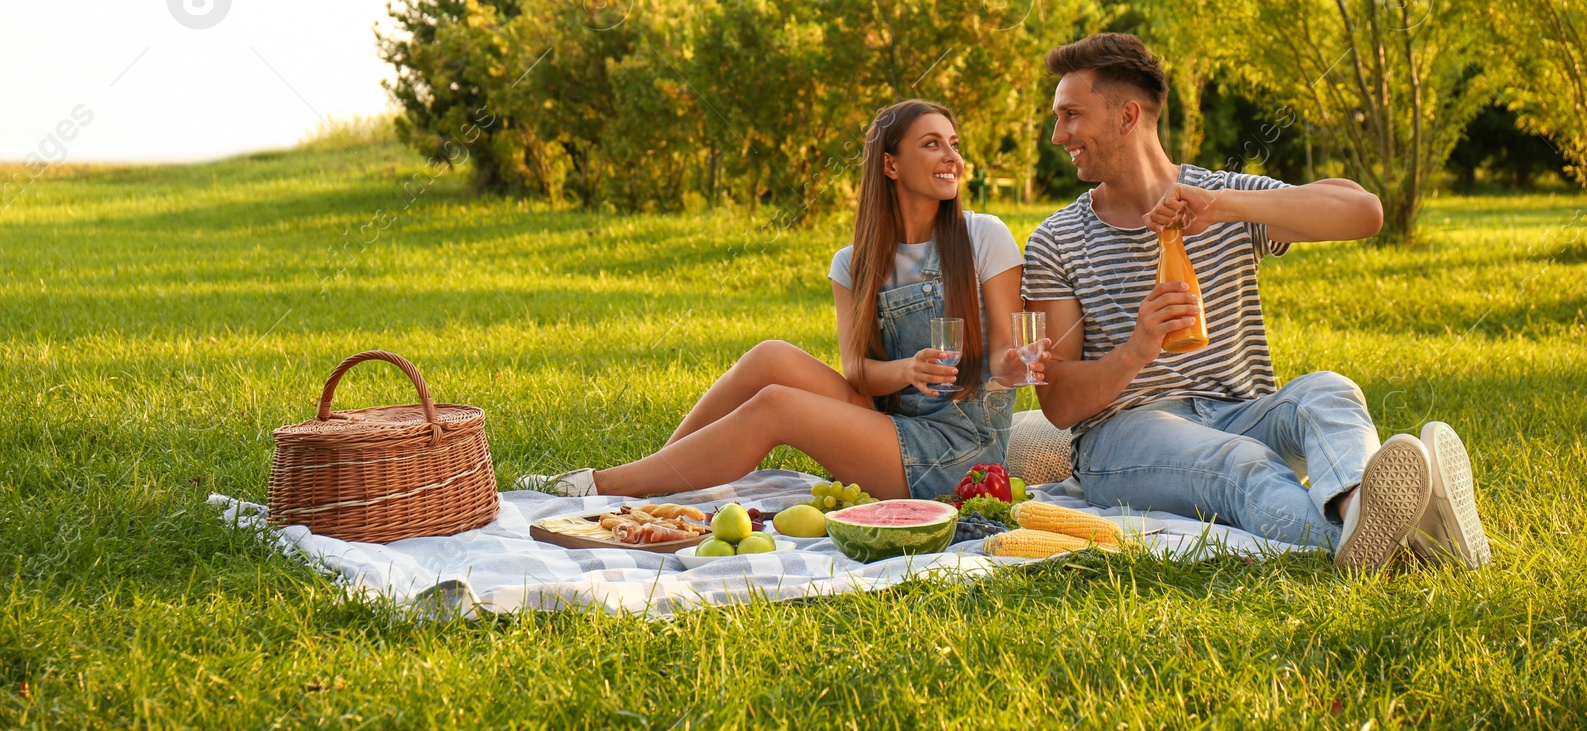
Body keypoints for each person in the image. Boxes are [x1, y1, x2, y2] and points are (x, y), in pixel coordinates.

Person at [1023, 32, 1490, 571]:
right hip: (1124, 439)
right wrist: (1135, 350)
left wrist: (1223, 206)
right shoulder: (1056, 239)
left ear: (1127, 117)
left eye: (1071, 115)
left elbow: (1364, 212)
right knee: (1245, 465)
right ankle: (1405, 549)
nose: (1058, 134)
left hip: (1239, 411)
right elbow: (1057, 403)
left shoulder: (1219, 199)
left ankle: (1366, 513)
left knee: (1329, 392)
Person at [538, 99, 1047, 500]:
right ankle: (656, 471)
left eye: (953, 144)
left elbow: (1006, 354)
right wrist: (907, 371)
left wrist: (1022, 364)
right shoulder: (854, 262)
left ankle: (605, 486)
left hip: (962, 454)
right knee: (770, 356)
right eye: (932, 144)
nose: (952, 158)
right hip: (891, 429)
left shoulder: (984, 235)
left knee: (777, 407)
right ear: (890, 165)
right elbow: (858, 373)